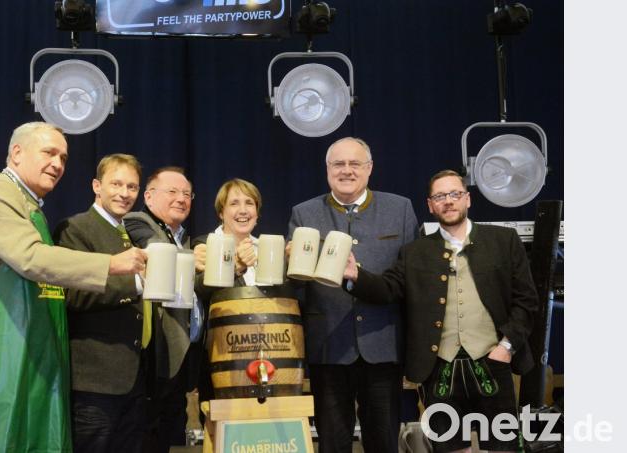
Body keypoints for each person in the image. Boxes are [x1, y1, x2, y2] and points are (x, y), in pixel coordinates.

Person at [0, 122, 147, 452]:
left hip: (22, 345)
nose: (58, 164)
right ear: (16, 153)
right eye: (49, 153)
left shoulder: (28, 203)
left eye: (64, 158)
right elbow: (29, 257)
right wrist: (111, 264)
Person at [343, 169, 539, 453]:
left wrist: (506, 346)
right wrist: (355, 276)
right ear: (430, 204)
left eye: (455, 194)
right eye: (440, 196)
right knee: (449, 448)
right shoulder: (415, 252)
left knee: (502, 447)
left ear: (467, 199)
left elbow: (526, 301)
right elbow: (388, 289)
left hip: (492, 361)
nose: (448, 201)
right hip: (438, 368)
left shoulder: (503, 240)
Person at [287, 137, 419, 453]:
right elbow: (297, 286)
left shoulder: (399, 209)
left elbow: (409, 280)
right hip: (329, 347)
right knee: (332, 442)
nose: (346, 170)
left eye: (354, 163)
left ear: (369, 169)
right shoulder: (303, 213)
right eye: (338, 164)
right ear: (327, 169)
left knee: (384, 441)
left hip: (383, 346)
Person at [52, 153, 148, 452]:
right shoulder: (75, 228)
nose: (124, 193)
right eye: (116, 184)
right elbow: (71, 293)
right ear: (97, 186)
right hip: (94, 383)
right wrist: (136, 283)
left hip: (132, 381)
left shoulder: (128, 233)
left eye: (132, 187)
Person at [123, 166, 200, 453]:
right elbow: (158, 251)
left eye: (187, 194)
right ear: (149, 196)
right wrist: (197, 258)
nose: (181, 198)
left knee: (170, 439)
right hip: (152, 361)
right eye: (172, 192)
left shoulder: (184, 238)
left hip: (179, 360)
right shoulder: (137, 222)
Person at [191, 178, 266, 410]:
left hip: (269, 354)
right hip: (220, 357)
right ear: (221, 213)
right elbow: (199, 288)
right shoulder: (204, 246)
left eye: (249, 203)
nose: (243, 210)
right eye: (234, 203)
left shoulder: (266, 248)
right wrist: (235, 268)